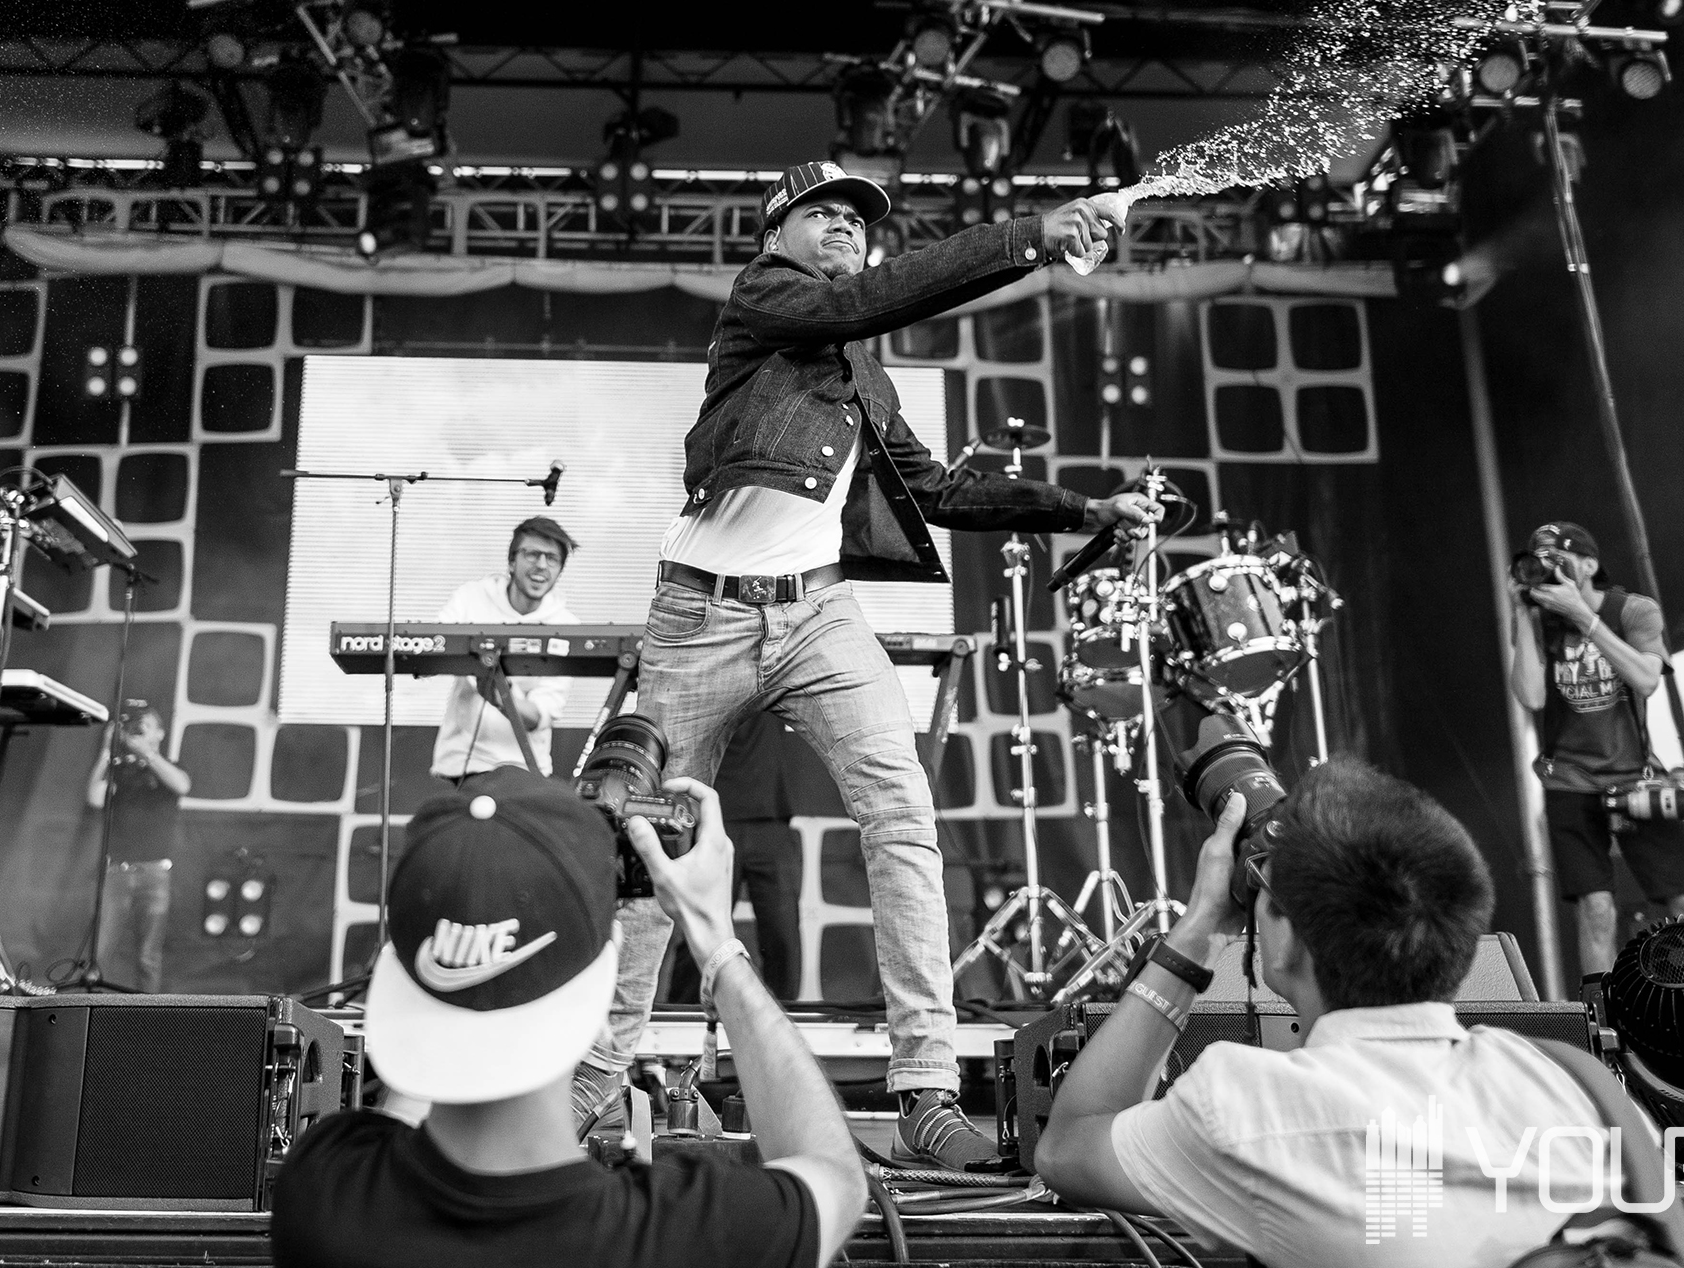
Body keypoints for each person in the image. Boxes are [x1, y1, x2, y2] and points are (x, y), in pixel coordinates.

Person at [579, 161, 1153, 1170]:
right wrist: (1033, 234)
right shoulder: (767, 298)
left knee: (903, 815)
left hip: (819, 614)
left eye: (858, 217)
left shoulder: (864, 375)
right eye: (824, 212)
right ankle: (593, 1081)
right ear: (776, 232)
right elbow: (868, 300)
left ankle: (927, 1091)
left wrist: (1083, 509)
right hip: (700, 614)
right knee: (650, 843)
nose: (847, 225)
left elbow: (939, 490)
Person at [1033, 758, 1623, 1267]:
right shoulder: (1573, 1088)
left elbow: (1068, 1148)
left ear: (1288, 942)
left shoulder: (1247, 1109)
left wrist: (1199, 931)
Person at [268, 765, 864, 1268]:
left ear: (402, 981)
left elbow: (405, 1112)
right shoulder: (693, 1234)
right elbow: (836, 1176)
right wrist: (713, 936)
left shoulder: (322, 1194)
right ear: (602, 987)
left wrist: (454, 943)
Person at [1503, 519, 1684, 982]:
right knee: (1596, 908)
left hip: (1637, 776)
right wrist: (1521, 613)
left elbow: (1646, 680)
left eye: (1560, 559)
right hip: (1570, 779)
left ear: (1590, 565)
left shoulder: (1634, 610)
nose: (1549, 568)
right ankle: (1602, 1016)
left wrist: (1584, 618)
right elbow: (1532, 697)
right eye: (1540, 561)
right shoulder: (1539, 620)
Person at [430, 515, 581, 783]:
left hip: (526, 771)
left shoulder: (566, 626)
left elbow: (541, 714)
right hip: (460, 765)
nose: (541, 565)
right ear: (511, 561)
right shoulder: (471, 597)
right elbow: (433, 647)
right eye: (532, 554)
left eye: (552, 558)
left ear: (560, 570)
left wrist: (499, 694)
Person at [669, 711, 803, 1003]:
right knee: (702, 925)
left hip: (771, 821)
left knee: (783, 934)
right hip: (718, 819)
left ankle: (785, 1015)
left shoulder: (776, 689)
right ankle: (680, 1014)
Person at [86, 701, 190, 992]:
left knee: (148, 955)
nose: (138, 734)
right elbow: (95, 798)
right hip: (117, 872)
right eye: (134, 729)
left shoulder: (170, 768)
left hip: (154, 873)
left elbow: (182, 785)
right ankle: (90, 1004)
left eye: (144, 728)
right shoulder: (120, 769)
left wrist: (147, 753)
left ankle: (147, 1009)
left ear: (160, 733)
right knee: (100, 951)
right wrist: (106, 752)